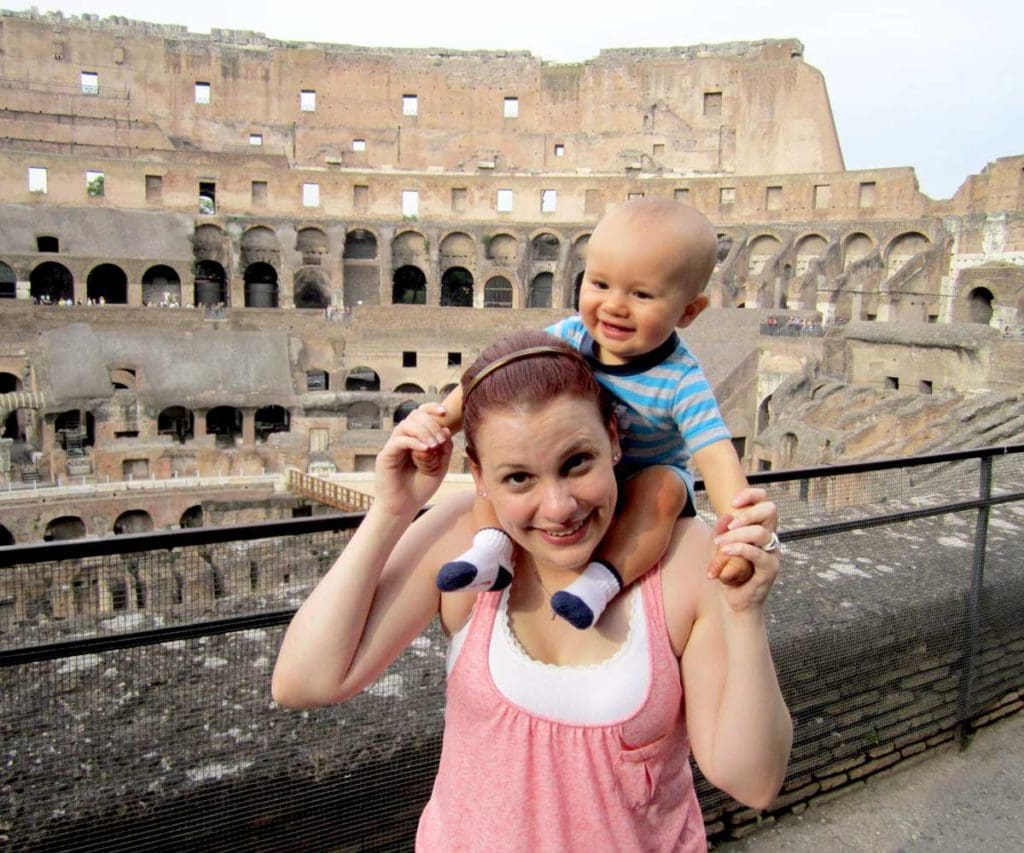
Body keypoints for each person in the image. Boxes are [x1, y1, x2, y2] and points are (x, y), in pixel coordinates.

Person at [272, 331, 791, 852]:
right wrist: (392, 510)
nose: (559, 506)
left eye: (576, 463)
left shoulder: (683, 560)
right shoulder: (464, 540)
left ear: (614, 438)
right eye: (519, 478)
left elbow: (753, 781)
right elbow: (303, 681)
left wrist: (745, 614)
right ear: (478, 475)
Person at [423, 198, 762, 629]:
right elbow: (491, 376)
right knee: (501, 464)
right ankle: (492, 549)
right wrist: (439, 422)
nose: (615, 305)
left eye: (640, 294)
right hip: (576, 469)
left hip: (640, 476)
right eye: (599, 284)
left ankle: (601, 581)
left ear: (689, 311)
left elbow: (715, 455)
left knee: (665, 488)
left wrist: (740, 530)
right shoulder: (571, 334)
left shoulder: (680, 381)